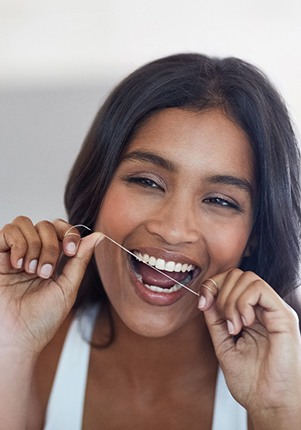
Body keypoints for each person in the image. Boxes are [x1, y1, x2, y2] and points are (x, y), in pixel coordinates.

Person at [0, 53, 301, 430]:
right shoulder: (35, 355)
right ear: (97, 195)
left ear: (254, 237)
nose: (174, 230)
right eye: (147, 182)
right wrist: (9, 344)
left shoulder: (288, 387)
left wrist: (278, 412)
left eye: (220, 200)